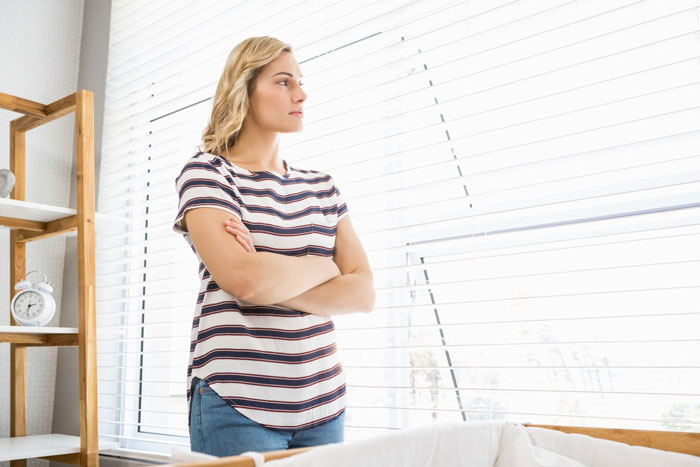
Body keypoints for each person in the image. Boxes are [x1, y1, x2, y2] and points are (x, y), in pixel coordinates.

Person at [171, 36, 375, 457]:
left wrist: (270, 273)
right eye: (284, 81)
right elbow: (244, 281)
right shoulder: (208, 173)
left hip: (324, 403)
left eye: (299, 81)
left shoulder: (322, 186)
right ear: (243, 89)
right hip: (236, 401)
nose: (301, 93)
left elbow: (363, 292)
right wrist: (325, 266)